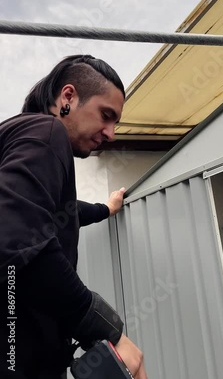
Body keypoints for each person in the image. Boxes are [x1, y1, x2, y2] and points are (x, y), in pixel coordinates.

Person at [0, 54, 147, 379]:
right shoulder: (46, 130)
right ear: (68, 98)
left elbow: (62, 213)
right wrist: (107, 330)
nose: (111, 134)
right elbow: (15, 241)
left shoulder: (16, 139)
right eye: (106, 116)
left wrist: (106, 209)